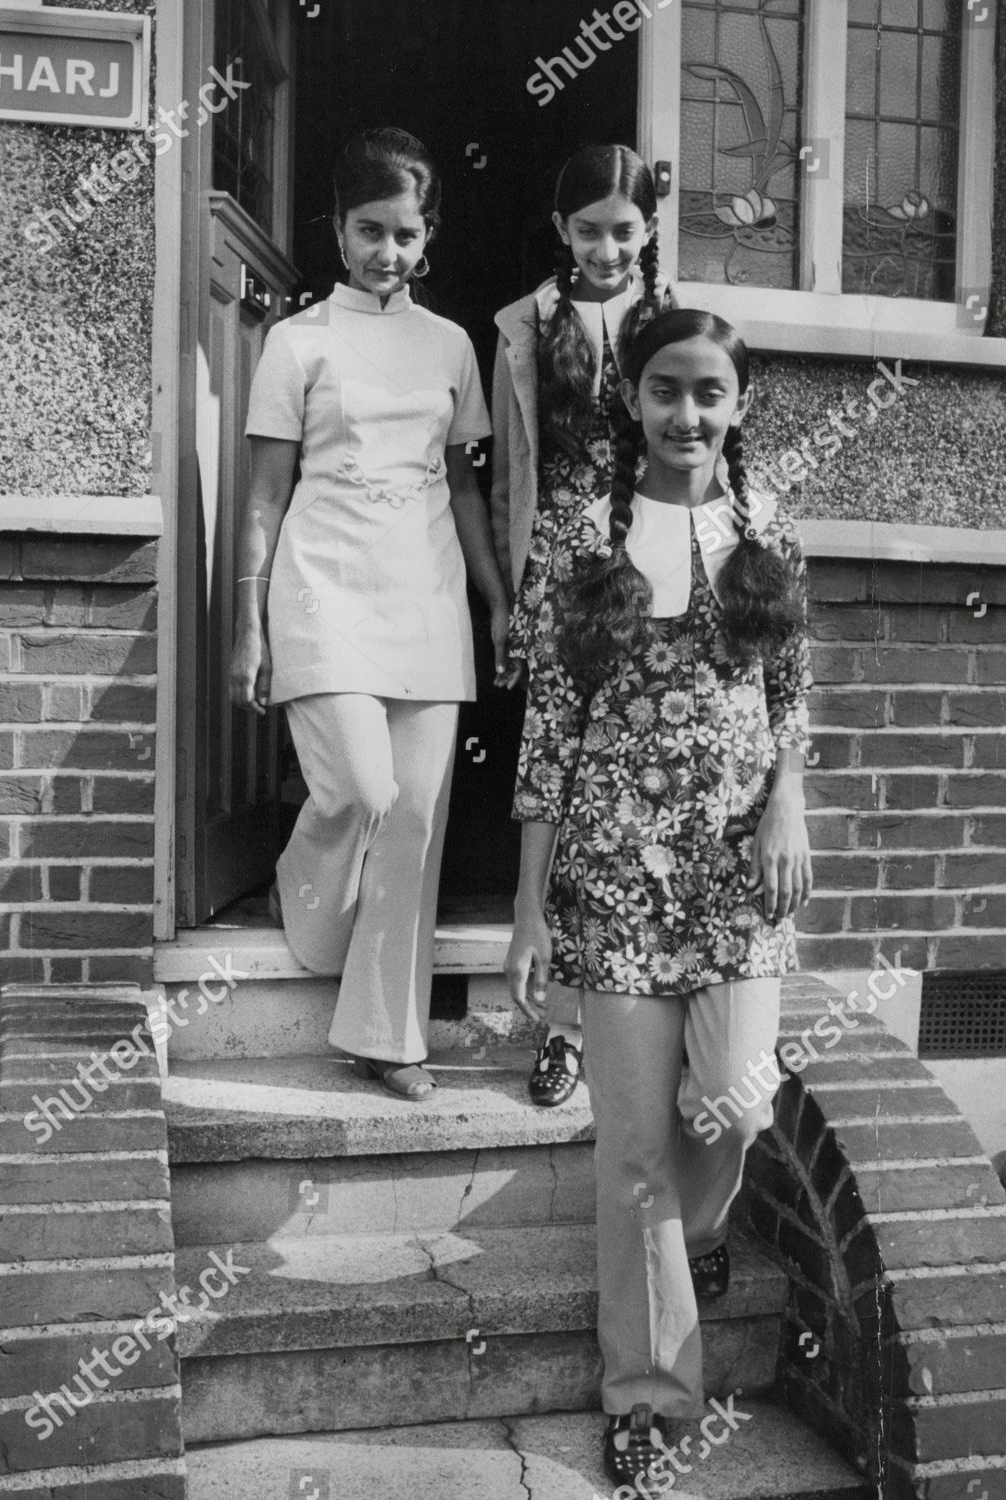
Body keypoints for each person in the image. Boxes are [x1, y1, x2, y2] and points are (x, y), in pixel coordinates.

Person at [503, 308, 813, 1491]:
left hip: (736, 875)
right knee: (630, 1147)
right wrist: (529, 910)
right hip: (611, 877)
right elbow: (546, 734)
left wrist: (788, 806)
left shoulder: (768, 532)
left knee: (734, 1101)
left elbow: (789, 698)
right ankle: (645, 1398)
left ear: (737, 405)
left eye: (710, 393)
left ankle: (693, 1239)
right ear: (630, 400)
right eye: (665, 391)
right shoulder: (579, 537)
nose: (687, 414)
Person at [230, 127, 511, 1102]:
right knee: (359, 789)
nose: (385, 251)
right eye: (367, 230)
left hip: (427, 594)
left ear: (425, 234)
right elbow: (263, 493)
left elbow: (465, 489)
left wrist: (495, 599)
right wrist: (249, 622)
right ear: (337, 230)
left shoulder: (449, 347)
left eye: (403, 232)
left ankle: (387, 1037)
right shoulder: (295, 341)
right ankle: (304, 907)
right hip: (323, 589)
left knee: (415, 819)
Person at [491, 143, 678, 1107]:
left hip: (649, 559)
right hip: (562, 566)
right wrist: (510, 597)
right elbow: (506, 476)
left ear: (648, 229)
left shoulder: (676, 324)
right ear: (563, 229)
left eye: (624, 229)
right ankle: (559, 1024)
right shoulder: (527, 324)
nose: (606, 248)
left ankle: (641, 1013)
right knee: (553, 786)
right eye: (588, 229)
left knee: (633, 789)